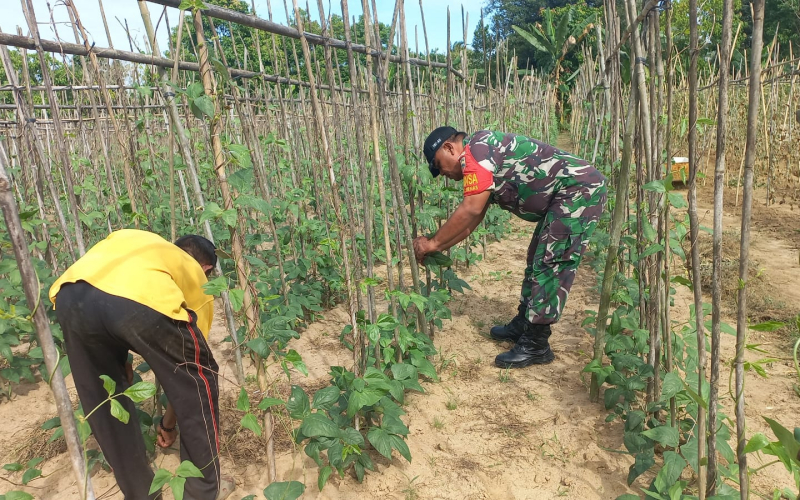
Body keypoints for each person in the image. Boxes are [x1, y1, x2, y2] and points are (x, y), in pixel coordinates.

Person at [49, 229, 232, 500]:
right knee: (200, 382)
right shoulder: (195, 275)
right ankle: (202, 492)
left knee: (105, 399)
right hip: (137, 302)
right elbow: (189, 373)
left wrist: (120, 365)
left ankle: (141, 495)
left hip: (71, 294)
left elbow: (107, 299)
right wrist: (168, 426)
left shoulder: (137, 241)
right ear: (205, 268)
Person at [414, 127, 607, 369]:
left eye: (439, 165)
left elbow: (470, 209)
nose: (442, 173)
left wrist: (431, 243)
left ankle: (537, 343)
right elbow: (472, 221)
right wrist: (436, 246)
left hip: (578, 191)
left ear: (449, 148)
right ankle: (525, 323)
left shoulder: (476, 152)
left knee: (551, 262)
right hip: (565, 195)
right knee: (537, 256)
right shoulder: (478, 155)